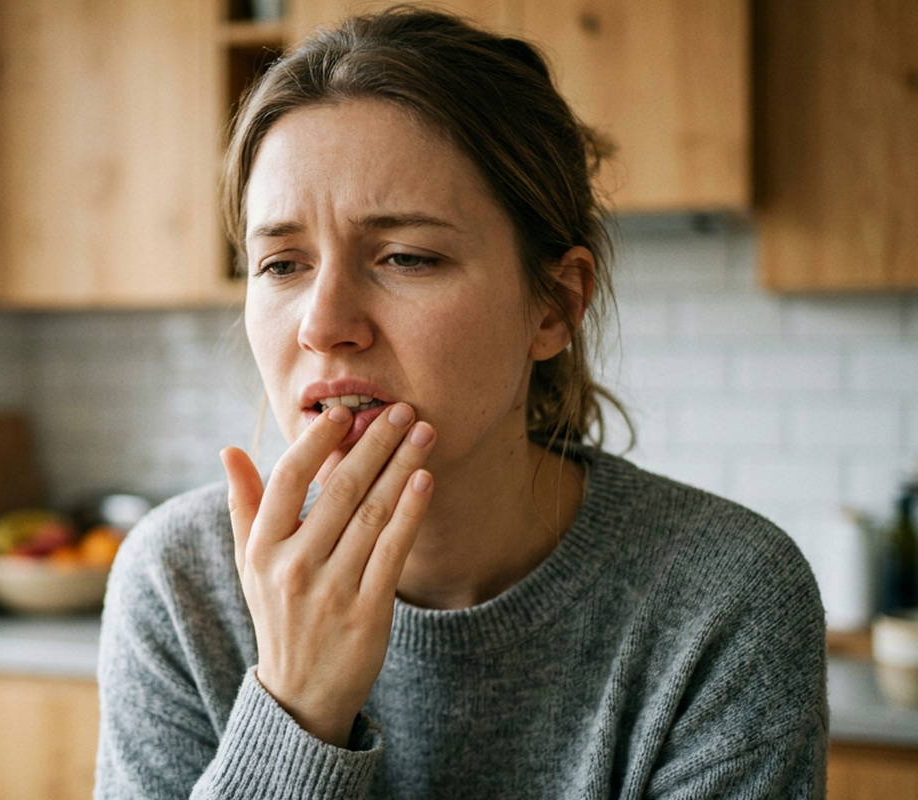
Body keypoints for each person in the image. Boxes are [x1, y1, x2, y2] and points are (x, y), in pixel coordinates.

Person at [94, 7, 828, 798]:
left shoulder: (725, 601)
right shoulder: (180, 586)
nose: (324, 325)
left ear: (552, 306)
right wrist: (297, 706)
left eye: (407, 256)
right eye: (281, 264)